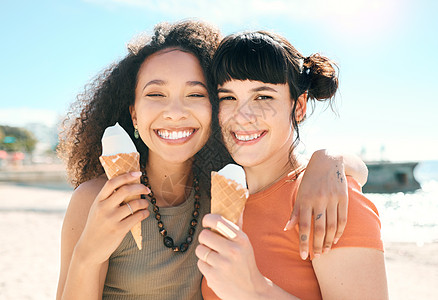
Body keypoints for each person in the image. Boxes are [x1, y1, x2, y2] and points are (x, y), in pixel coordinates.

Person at [56, 20, 368, 300]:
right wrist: (87, 255)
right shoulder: (96, 200)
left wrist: (330, 160)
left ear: (213, 111)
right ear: (134, 114)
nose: (176, 112)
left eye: (195, 95)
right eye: (156, 94)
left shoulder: (223, 195)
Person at [197, 31, 388, 300]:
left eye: (263, 97)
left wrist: (255, 290)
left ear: (299, 107)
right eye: (228, 97)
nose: (242, 116)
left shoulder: (328, 200)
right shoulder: (223, 200)